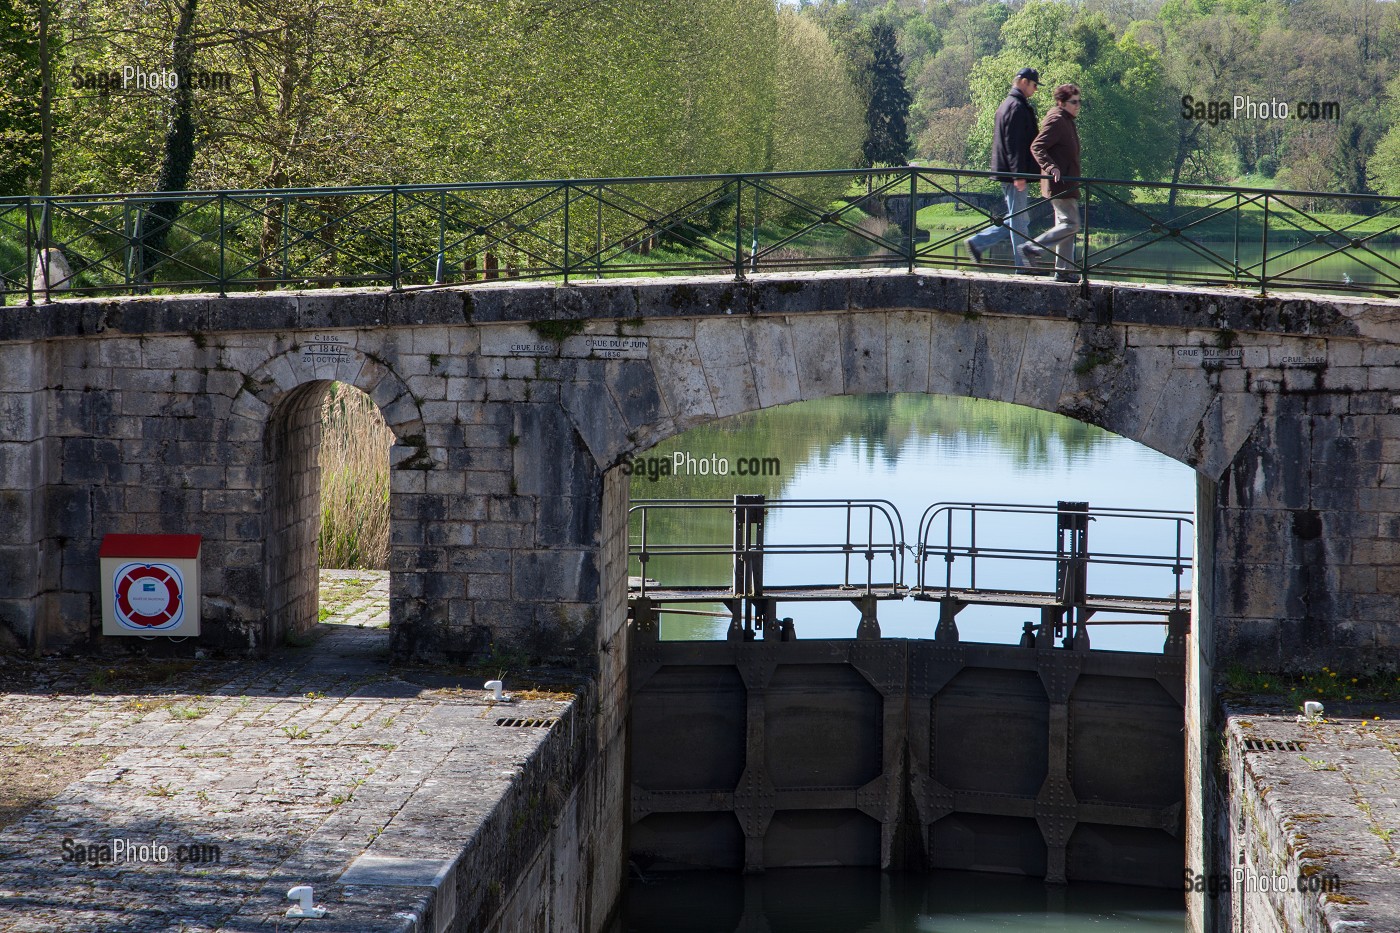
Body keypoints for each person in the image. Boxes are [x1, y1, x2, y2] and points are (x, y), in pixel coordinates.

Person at [964, 67, 1044, 270]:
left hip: (1009, 172)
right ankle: (1022, 267)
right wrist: (1018, 174)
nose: (1035, 90)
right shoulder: (1016, 106)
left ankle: (979, 243)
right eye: (1034, 85)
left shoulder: (1008, 104)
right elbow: (1014, 143)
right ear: (1024, 82)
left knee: (1017, 219)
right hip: (1013, 175)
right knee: (1019, 221)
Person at [1021, 84, 1083, 284]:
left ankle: (1064, 271)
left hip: (1067, 183)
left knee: (1065, 226)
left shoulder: (1067, 120)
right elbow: (1037, 146)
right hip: (1060, 183)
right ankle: (1033, 248)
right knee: (1071, 224)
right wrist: (1051, 167)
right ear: (1062, 102)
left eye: (1079, 101)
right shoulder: (1057, 120)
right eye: (1074, 102)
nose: (1078, 105)